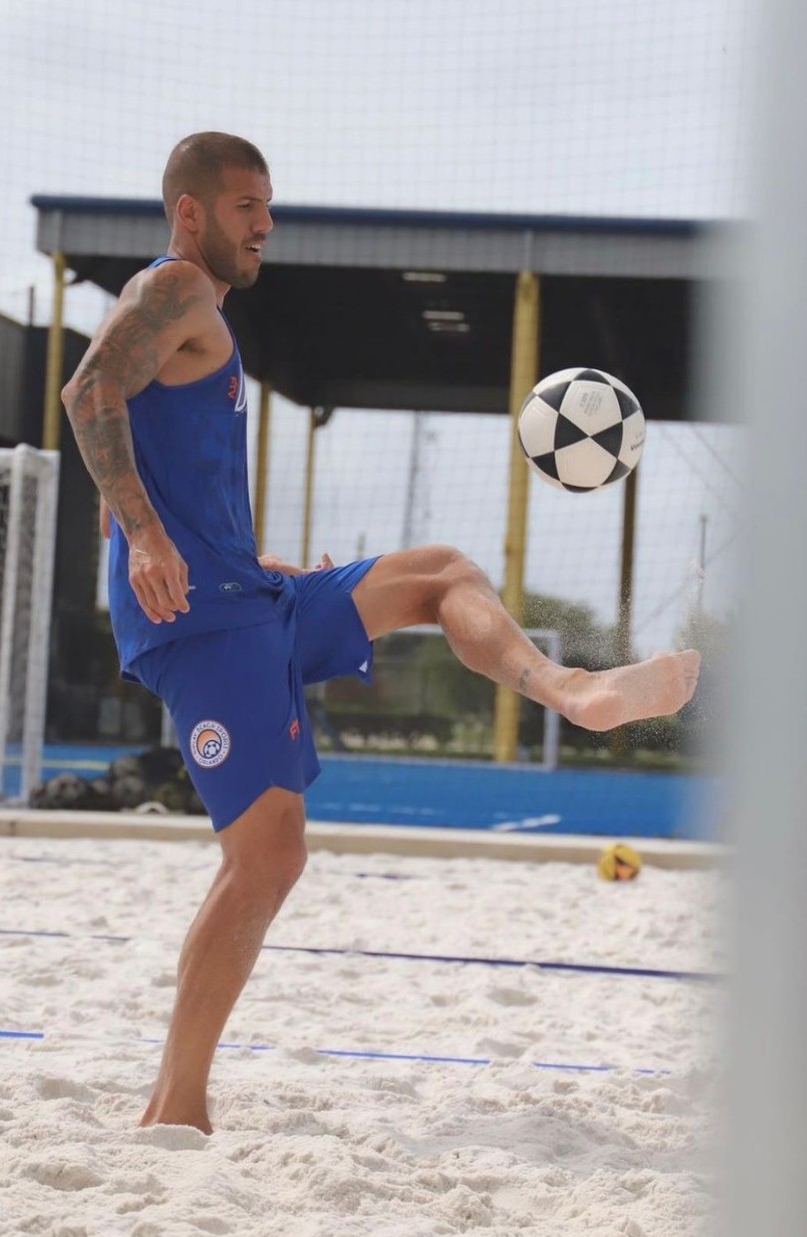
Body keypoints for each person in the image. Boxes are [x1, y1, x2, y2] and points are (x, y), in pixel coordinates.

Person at [62, 131, 700, 1134]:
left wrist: (234, 553)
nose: (264, 222)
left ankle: (568, 689)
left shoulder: (199, 320)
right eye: (244, 206)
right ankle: (173, 1105)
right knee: (268, 859)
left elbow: (147, 448)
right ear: (190, 213)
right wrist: (143, 535)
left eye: (268, 204)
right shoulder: (173, 288)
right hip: (199, 622)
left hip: (246, 593)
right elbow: (88, 390)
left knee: (441, 572)